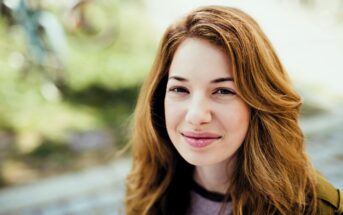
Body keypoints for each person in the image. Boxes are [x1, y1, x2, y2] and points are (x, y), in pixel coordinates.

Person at [124, 5, 343, 215]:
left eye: (223, 91)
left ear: (259, 102)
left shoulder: (314, 208)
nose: (196, 116)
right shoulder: (148, 191)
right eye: (180, 89)